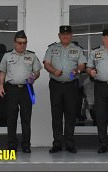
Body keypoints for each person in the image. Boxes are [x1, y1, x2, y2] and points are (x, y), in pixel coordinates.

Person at [43, 25, 86, 153]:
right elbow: (46, 63)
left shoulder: (77, 49)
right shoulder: (52, 48)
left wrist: (77, 70)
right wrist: (54, 71)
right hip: (56, 84)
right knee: (56, 114)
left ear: (71, 36)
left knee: (70, 114)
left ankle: (69, 143)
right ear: (59, 36)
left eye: (68, 34)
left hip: (71, 85)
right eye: (63, 34)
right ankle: (57, 143)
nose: (65, 36)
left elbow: (82, 64)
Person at [0, 30, 42, 153]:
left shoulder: (31, 56)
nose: (22, 45)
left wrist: (34, 76)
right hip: (11, 89)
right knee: (11, 118)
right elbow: (2, 72)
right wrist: (1, 86)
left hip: (26, 89)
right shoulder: (7, 56)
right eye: (20, 43)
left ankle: (26, 145)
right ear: (14, 43)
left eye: (25, 43)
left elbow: (37, 71)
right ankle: (12, 145)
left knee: (26, 118)